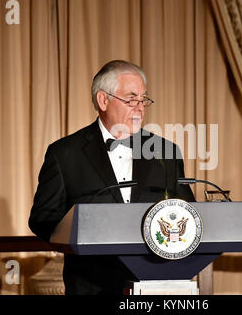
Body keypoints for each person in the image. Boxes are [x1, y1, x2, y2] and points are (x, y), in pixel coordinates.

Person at [28, 60, 195, 295]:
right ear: (103, 100)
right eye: (131, 99)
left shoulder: (165, 152)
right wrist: (82, 231)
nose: (140, 108)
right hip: (91, 285)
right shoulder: (64, 153)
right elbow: (42, 218)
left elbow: (189, 211)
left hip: (155, 285)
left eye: (143, 99)